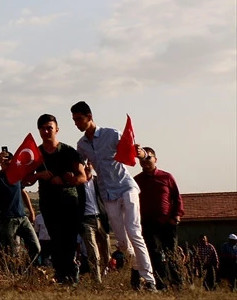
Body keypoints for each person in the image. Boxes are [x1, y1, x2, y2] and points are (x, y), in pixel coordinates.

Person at [72, 101, 157, 290]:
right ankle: (137, 268)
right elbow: (82, 169)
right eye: (74, 120)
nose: (76, 124)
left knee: (134, 232)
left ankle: (149, 280)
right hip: (107, 194)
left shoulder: (112, 134)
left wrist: (141, 153)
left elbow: (134, 152)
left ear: (89, 117)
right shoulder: (82, 145)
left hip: (126, 188)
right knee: (122, 242)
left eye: (79, 119)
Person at [27, 113, 86, 285]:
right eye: (43, 128)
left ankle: (70, 274)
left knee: (68, 239)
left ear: (57, 129)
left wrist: (69, 179)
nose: (46, 131)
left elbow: (82, 176)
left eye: (49, 128)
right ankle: (62, 274)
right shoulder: (35, 154)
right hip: (48, 202)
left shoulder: (68, 152)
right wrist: (40, 174)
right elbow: (25, 179)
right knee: (55, 239)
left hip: (69, 201)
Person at [135, 146, 185, 289]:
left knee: (171, 253)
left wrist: (176, 216)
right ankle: (161, 284)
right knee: (154, 254)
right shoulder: (136, 180)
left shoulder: (167, 177)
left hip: (168, 223)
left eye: (148, 158)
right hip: (148, 224)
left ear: (155, 159)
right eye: (142, 159)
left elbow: (177, 197)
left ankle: (177, 283)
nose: (145, 161)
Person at [0, 148, 40, 271]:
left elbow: (23, 192)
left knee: (36, 248)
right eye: (6, 164)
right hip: (7, 220)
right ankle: (12, 276)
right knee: (9, 252)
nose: (9, 166)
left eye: (10, 164)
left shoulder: (16, 176)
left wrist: (31, 211)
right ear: (1, 164)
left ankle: (24, 270)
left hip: (22, 217)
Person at [80, 162, 105, 283]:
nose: (87, 166)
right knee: (93, 253)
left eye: (89, 163)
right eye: (84, 164)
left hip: (101, 219)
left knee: (106, 253)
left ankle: (104, 277)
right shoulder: (78, 183)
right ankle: (97, 281)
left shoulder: (99, 181)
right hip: (86, 220)